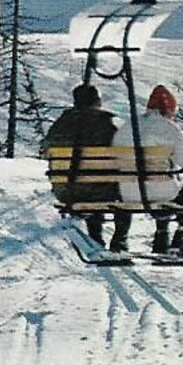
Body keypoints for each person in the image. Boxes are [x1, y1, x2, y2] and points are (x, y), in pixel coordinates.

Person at [42, 83, 130, 250]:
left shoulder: (61, 122)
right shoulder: (107, 122)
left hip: (67, 190)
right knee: (116, 187)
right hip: (103, 190)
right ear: (96, 101)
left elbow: (46, 150)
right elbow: (123, 153)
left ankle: (95, 237)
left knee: (90, 183)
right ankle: (120, 241)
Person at [120, 84, 183, 256]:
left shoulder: (129, 125)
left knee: (162, 187)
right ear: (170, 110)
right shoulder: (168, 127)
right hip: (159, 192)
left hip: (125, 192)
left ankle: (161, 236)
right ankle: (179, 239)